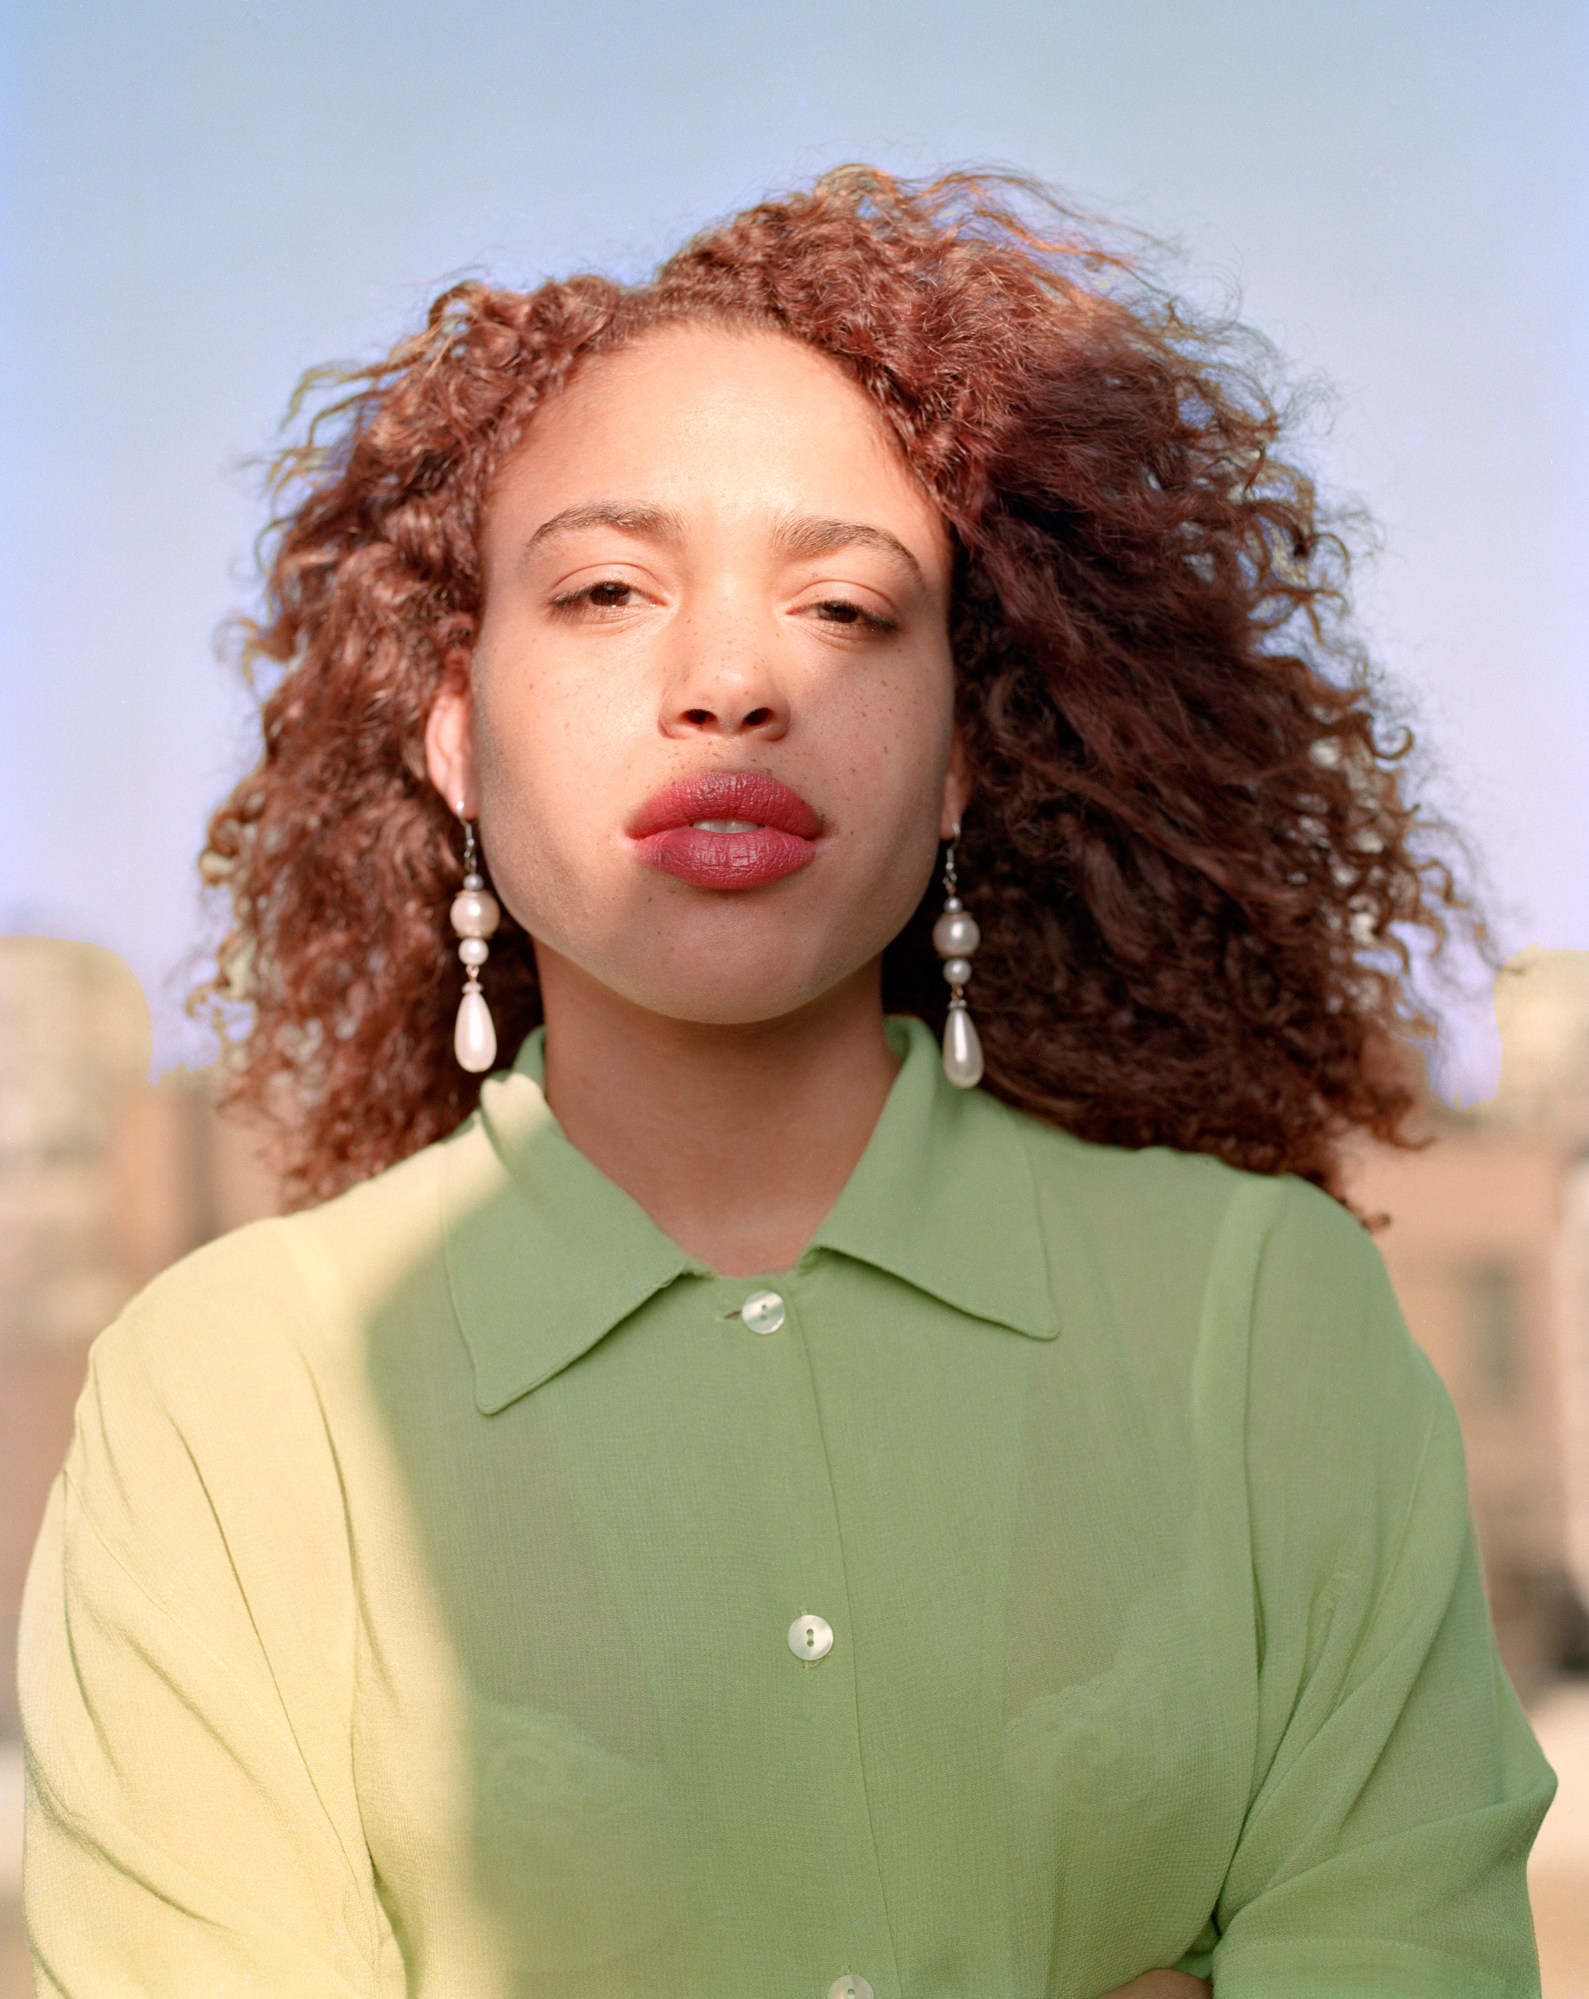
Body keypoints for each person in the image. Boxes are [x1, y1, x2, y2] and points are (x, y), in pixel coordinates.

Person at [18, 166, 1556, 1998]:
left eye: (843, 608)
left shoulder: (1265, 1323)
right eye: (603, 588)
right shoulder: (225, 1402)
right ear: (452, 731)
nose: (733, 681)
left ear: (965, 753)